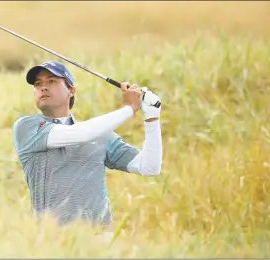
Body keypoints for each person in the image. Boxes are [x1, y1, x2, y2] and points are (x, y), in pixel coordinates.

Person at [13, 61, 162, 234]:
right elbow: (81, 134)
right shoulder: (26, 127)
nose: (43, 87)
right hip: (52, 238)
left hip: (100, 238)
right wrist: (130, 109)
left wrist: (152, 117)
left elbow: (149, 167)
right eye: (38, 84)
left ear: (71, 90)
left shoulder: (99, 133)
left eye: (52, 81)